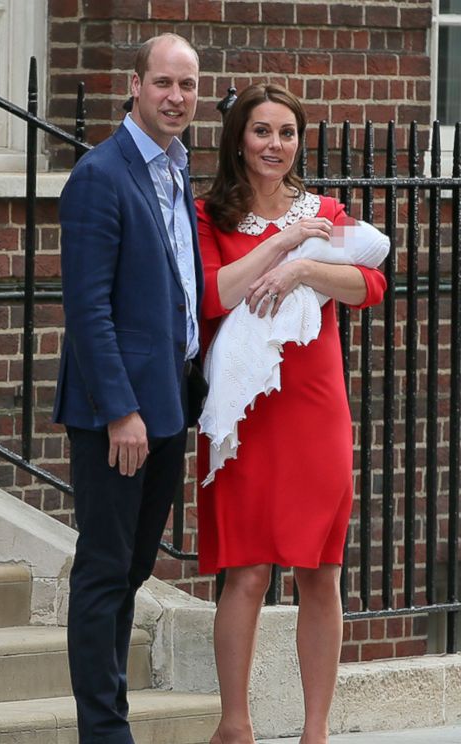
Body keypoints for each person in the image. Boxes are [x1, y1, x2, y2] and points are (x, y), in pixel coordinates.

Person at [195, 83, 387, 744]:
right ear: (238, 140)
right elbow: (213, 297)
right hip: (247, 408)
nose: (275, 145)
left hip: (314, 405)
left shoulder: (322, 212)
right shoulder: (208, 215)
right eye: (261, 131)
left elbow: (371, 282)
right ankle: (235, 724)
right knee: (246, 570)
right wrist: (279, 250)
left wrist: (306, 270)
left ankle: (315, 732)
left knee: (320, 569)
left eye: (286, 132)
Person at [52, 34, 204, 744]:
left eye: (189, 85)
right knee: (106, 568)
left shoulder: (177, 171)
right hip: (121, 415)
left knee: (135, 565)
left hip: (168, 406)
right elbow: (87, 308)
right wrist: (120, 411)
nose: (177, 97)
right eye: (165, 83)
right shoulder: (100, 175)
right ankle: (104, 730)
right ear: (135, 85)